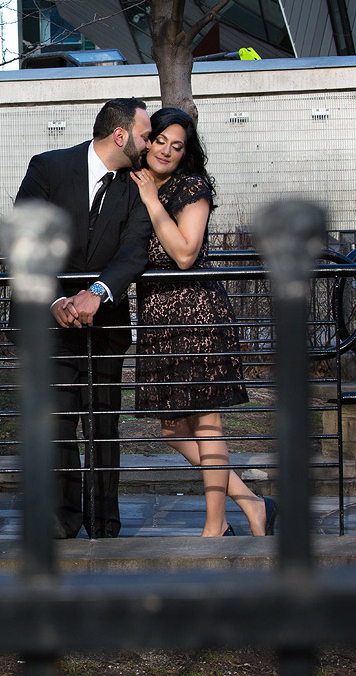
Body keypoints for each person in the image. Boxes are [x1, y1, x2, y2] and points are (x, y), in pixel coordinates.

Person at [130, 107, 276, 537]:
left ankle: (216, 525)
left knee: (205, 422)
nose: (167, 151)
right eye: (160, 141)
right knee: (173, 428)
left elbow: (184, 253)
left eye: (178, 146)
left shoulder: (191, 187)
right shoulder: (136, 183)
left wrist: (154, 204)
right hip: (158, 322)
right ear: (147, 140)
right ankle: (253, 502)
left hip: (197, 315)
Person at [15, 97, 153, 539]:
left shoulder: (138, 185)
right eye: (145, 135)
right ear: (120, 135)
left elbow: (134, 250)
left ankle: (104, 523)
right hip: (48, 327)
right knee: (56, 427)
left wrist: (97, 292)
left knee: (103, 427)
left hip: (105, 327)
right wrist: (55, 300)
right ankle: (60, 521)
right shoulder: (49, 168)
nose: (149, 144)